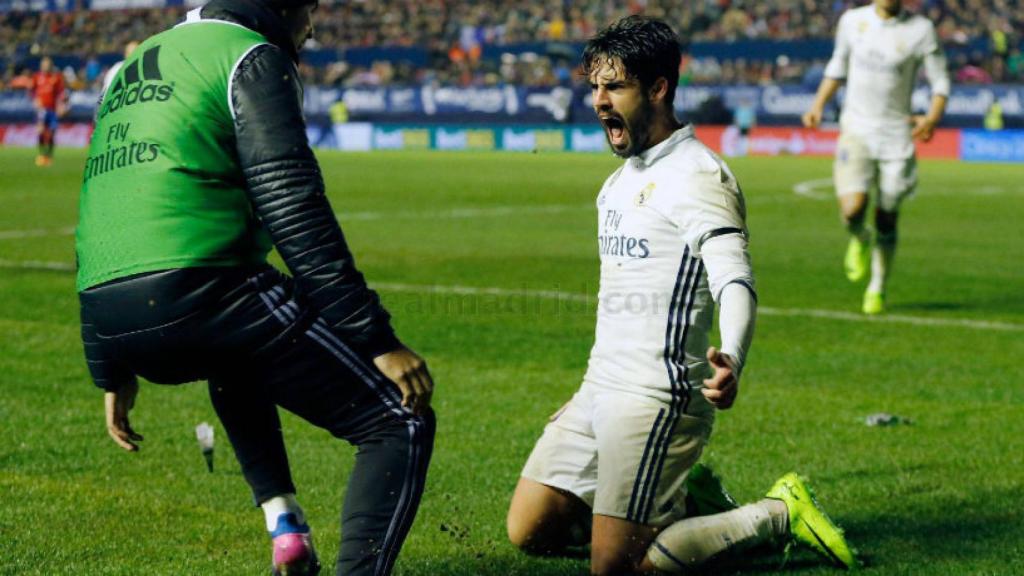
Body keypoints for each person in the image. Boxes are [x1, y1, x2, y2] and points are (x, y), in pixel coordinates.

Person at [75, 1, 435, 575]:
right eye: (309, 7)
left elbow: (98, 210)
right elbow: (293, 206)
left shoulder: (128, 69)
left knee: (239, 357)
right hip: (205, 288)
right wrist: (375, 338)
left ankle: (284, 524)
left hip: (114, 315)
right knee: (401, 415)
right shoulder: (249, 55)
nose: (312, 27)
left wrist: (109, 368)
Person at [505, 16, 857, 575]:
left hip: (658, 395)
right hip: (602, 386)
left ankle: (775, 513)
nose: (598, 101)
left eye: (614, 86)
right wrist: (588, 393)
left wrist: (733, 355)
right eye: (594, 85)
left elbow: (735, 279)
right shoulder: (618, 182)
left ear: (658, 88)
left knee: (618, 570)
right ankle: (685, 503)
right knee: (530, 530)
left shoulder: (697, 175)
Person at [803, 0, 950, 314]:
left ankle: (878, 286)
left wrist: (932, 118)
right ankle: (859, 235)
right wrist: (818, 105)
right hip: (856, 128)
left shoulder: (921, 30)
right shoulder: (852, 21)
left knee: (887, 215)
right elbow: (837, 67)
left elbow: (941, 82)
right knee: (853, 208)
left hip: (897, 135)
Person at [18, 56, 66, 166]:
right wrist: (35, 100)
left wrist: (61, 105)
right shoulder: (36, 77)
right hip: (42, 110)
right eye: (44, 64)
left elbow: (61, 93)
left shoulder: (56, 77)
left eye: (47, 64)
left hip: (52, 110)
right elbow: (31, 91)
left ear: (51, 65)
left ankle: (49, 156)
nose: (45, 66)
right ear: (41, 66)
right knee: (40, 131)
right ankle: (41, 155)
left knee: (52, 132)